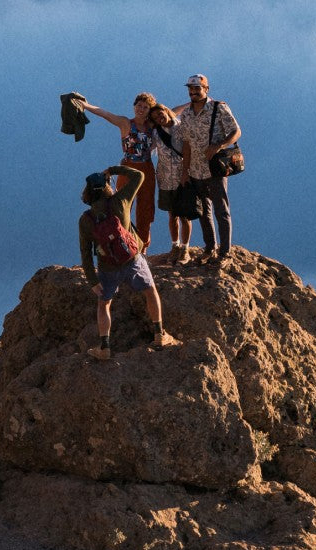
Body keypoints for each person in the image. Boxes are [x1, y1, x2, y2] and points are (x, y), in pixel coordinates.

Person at [79, 164, 176, 360]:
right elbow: (139, 176)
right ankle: (159, 335)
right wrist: (113, 170)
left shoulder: (86, 220)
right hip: (132, 259)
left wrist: (92, 280)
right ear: (107, 187)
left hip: (107, 267)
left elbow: (86, 253)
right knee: (150, 291)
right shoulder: (120, 201)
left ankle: (105, 347)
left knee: (104, 304)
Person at [80, 93, 158, 253]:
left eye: (145, 107)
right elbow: (105, 114)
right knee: (120, 206)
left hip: (147, 168)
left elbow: (171, 113)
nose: (141, 109)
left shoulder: (152, 125)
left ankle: (142, 248)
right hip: (128, 167)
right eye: (139, 105)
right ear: (134, 106)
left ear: (149, 110)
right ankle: (122, 244)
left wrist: (191, 103)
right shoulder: (126, 123)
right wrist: (86, 105)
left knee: (146, 208)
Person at [178, 74, 242, 266]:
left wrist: (219, 146)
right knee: (203, 211)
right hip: (196, 169)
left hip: (215, 167)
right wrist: (185, 171)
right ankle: (209, 248)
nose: (193, 91)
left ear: (206, 89)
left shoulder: (218, 107)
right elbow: (186, 144)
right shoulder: (186, 114)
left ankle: (225, 253)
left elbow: (236, 131)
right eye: (191, 88)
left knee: (221, 210)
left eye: (197, 88)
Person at [149, 103, 192, 265]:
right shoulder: (156, 133)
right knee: (172, 214)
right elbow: (149, 148)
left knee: (184, 215)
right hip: (165, 178)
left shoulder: (181, 127)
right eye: (155, 118)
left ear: (166, 111)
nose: (159, 118)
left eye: (160, 114)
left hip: (183, 177)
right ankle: (175, 246)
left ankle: (185, 248)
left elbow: (189, 149)